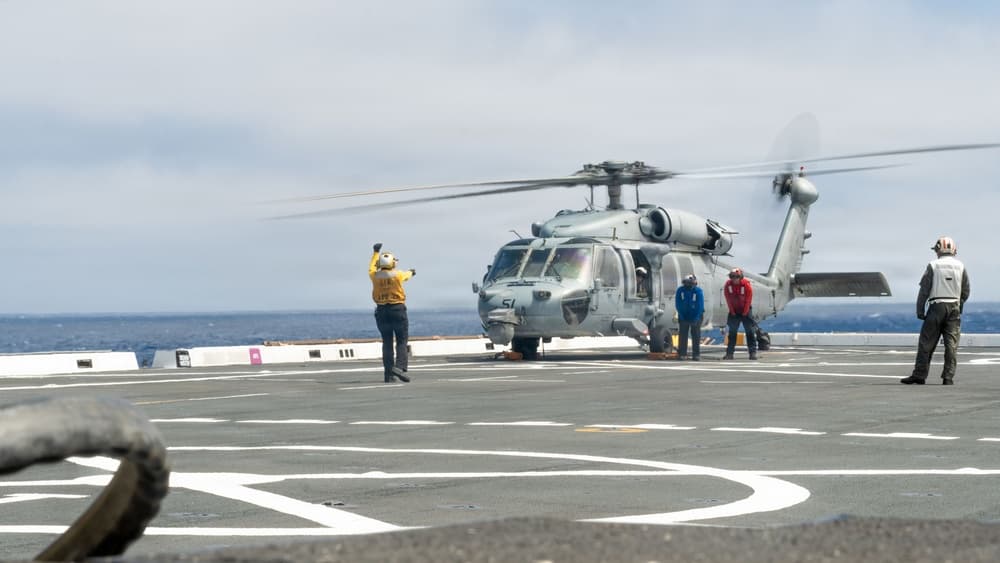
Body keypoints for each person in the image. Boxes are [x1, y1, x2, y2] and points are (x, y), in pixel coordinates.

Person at [901, 236, 970, 386]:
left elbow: (924, 290)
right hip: (954, 308)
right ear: (953, 250)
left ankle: (919, 375)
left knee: (926, 343)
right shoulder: (961, 266)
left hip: (936, 307)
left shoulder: (933, 265)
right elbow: (966, 291)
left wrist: (920, 310)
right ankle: (948, 377)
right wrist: (960, 305)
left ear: (939, 249)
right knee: (951, 345)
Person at [369, 242, 416, 383]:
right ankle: (400, 367)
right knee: (401, 340)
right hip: (397, 310)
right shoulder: (398, 275)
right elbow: (407, 275)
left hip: (382, 311)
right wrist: (412, 272)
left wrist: (376, 252)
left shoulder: (374, 276)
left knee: (387, 342)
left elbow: (371, 266)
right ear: (392, 263)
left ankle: (388, 375)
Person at [723, 267, 757, 360]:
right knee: (732, 332)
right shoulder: (727, 285)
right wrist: (732, 312)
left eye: (736, 277)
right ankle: (729, 353)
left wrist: (745, 312)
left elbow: (748, 300)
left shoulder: (746, 285)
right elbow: (728, 299)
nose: (734, 279)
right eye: (732, 277)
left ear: (740, 277)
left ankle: (752, 352)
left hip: (745, 310)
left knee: (750, 331)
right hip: (734, 311)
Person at [675, 274, 704, 361]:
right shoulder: (680, 290)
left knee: (696, 335)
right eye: (687, 283)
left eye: (690, 283)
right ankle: (682, 353)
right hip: (684, 316)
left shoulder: (698, 291)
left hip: (696, 315)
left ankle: (696, 354)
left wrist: (695, 318)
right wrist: (682, 315)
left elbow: (700, 306)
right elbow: (678, 304)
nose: (688, 285)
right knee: (683, 335)